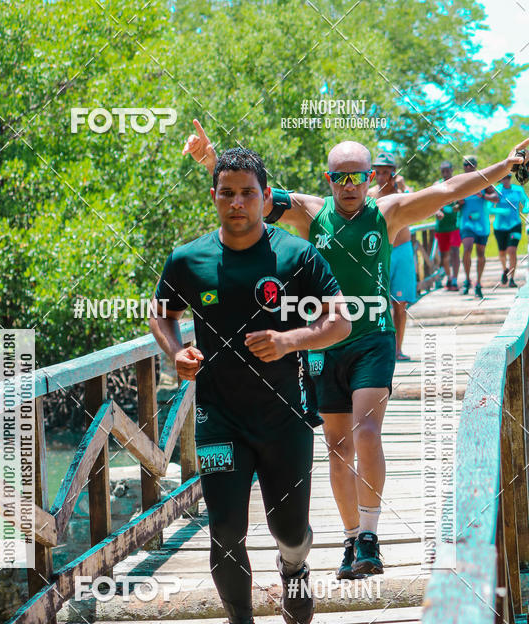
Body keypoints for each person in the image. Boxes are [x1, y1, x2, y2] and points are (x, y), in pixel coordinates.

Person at [184, 120, 529, 581]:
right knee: (337, 446)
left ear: (372, 178)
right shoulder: (310, 213)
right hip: (325, 346)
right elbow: (247, 190)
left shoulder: (389, 213)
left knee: (367, 431)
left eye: (358, 176)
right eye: (340, 177)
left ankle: (370, 534)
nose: (349, 185)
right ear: (329, 180)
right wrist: (210, 159)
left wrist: (505, 166)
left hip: (373, 339)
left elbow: (449, 189)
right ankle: (350, 540)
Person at [150, 147, 349, 624]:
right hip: (219, 419)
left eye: (247, 192)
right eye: (226, 192)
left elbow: (340, 322)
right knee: (225, 529)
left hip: (284, 418)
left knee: (289, 527)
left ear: (266, 197)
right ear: (213, 196)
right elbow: (162, 314)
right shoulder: (187, 259)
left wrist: (290, 341)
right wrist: (175, 352)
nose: (236, 202)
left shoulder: (296, 257)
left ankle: (294, 567)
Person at [368, 150, 417, 361]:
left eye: (385, 172)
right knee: (378, 302)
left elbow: (417, 203)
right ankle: (380, 349)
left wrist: (403, 187)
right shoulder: (369, 195)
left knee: (400, 303)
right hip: (380, 252)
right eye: (377, 172)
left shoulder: (402, 194)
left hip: (402, 248)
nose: (380, 177)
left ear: (393, 173)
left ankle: (398, 349)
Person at [458, 156, 498, 299]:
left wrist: (483, 196)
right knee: (467, 248)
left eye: (471, 164)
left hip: (482, 224)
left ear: (475, 165)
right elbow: (453, 203)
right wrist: (459, 203)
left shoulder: (483, 180)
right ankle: (467, 279)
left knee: (481, 253)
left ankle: (478, 284)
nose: (468, 167)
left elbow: (496, 197)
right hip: (467, 223)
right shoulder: (460, 181)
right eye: (465, 164)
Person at [489, 173, 528, 288]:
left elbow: (526, 201)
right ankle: (504, 269)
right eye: (503, 178)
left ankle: (512, 278)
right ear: (500, 180)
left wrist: (526, 208)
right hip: (500, 227)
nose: (506, 180)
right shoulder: (496, 191)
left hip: (515, 225)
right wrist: (501, 211)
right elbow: (489, 208)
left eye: (508, 177)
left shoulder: (517, 190)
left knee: (512, 250)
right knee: (502, 253)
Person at [434, 161, 462, 291]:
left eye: (447, 170)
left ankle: (455, 279)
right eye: (443, 170)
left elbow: (463, 202)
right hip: (441, 227)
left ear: (451, 170)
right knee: (445, 255)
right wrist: (437, 211)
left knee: (455, 252)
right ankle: (449, 277)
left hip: (455, 226)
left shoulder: (458, 183)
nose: (445, 173)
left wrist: (458, 206)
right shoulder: (437, 185)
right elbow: (430, 203)